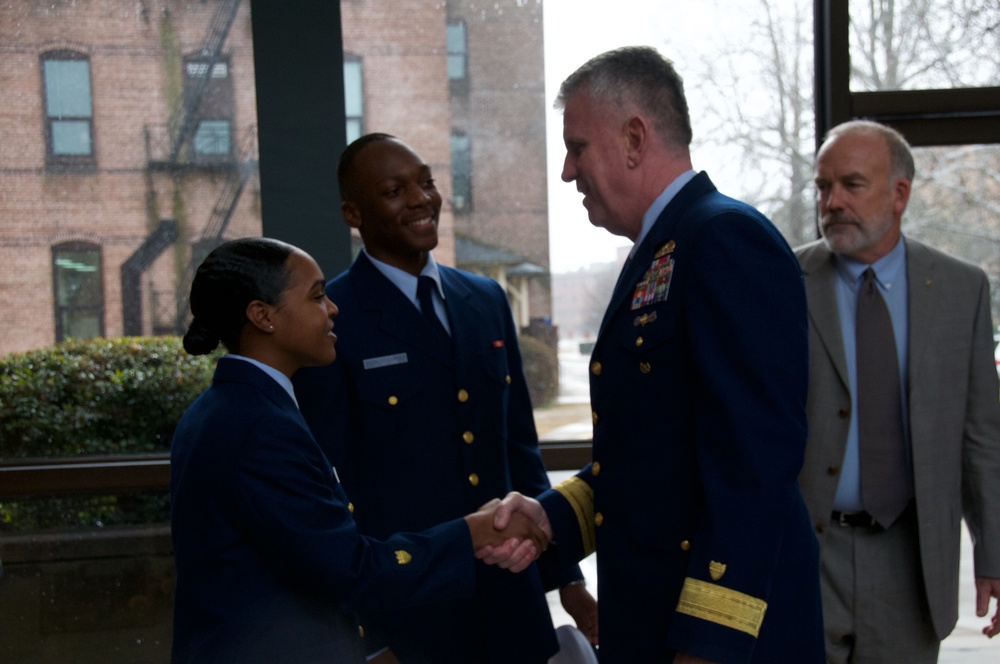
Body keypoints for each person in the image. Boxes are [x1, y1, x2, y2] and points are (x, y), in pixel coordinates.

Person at [488, 46, 825, 663]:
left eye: (576, 146)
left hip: (712, 640)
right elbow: (648, 463)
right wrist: (547, 519)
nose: (567, 171)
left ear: (635, 138)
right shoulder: (663, 250)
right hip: (654, 626)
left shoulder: (723, 238)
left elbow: (754, 467)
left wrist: (709, 642)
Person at [292, 133, 597, 664]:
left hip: (511, 598)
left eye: (427, 182)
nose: (420, 199)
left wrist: (568, 581)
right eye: (394, 190)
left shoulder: (483, 300)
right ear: (352, 212)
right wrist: (370, 634)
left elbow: (518, 451)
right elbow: (334, 491)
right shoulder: (332, 317)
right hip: (412, 613)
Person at [169, 237, 546, 664]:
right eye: (316, 296)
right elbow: (349, 570)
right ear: (263, 316)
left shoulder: (223, 408)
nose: (332, 308)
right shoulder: (259, 426)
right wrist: (473, 532)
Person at [794, 119, 1000, 662]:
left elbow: (982, 436)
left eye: (851, 185)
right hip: (809, 555)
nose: (832, 201)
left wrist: (993, 553)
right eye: (822, 187)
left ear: (899, 193)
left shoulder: (961, 290)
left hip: (911, 559)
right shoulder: (785, 283)